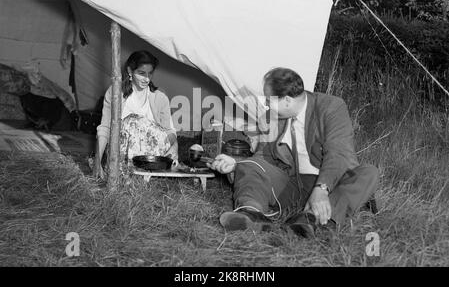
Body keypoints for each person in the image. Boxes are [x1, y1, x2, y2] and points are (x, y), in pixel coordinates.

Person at [208, 67, 379, 238]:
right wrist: (237, 165)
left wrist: (322, 188)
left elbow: (338, 153)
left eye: (269, 100)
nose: (266, 105)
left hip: (332, 185)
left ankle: (312, 219)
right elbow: (263, 157)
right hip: (293, 183)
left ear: (287, 101)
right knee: (251, 164)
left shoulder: (331, 107)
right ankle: (251, 214)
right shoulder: (271, 118)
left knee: (368, 173)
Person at [94, 51, 178, 179]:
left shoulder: (160, 98)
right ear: (130, 70)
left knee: (139, 122)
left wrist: (175, 147)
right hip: (121, 154)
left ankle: (148, 174)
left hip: (151, 157)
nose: (147, 79)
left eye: (150, 73)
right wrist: (97, 161)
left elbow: (169, 131)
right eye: (142, 73)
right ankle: (129, 173)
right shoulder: (115, 93)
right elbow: (105, 128)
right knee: (132, 121)